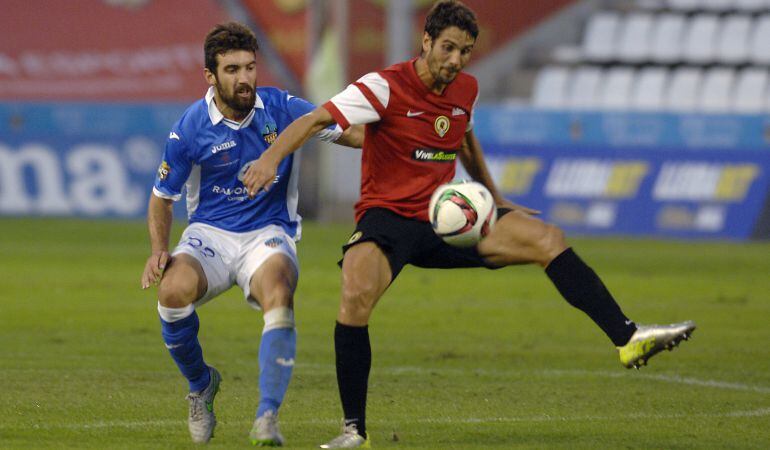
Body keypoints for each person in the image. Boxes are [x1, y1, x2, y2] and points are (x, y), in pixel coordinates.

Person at [241, 2, 696, 448]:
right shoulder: (383, 87)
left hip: (448, 215)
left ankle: (627, 338)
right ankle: (354, 431)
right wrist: (268, 158)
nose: (456, 60)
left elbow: (464, 138)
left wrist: (494, 197)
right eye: (448, 48)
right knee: (355, 294)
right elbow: (316, 118)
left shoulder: (466, 89)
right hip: (389, 218)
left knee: (548, 239)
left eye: (465, 51)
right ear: (426, 42)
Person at [140, 22, 363, 446]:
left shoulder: (281, 108)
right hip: (210, 234)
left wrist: (401, 139)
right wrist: (157, 250)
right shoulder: (189, 127)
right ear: (210, 76)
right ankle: (201, 384)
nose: (244, 78)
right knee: (171, 292)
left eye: (249, 67)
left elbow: (348, 132)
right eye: (231, 70)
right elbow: (161, 197)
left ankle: (266, 417)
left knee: (278, 290)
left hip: (268, 232)